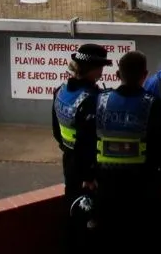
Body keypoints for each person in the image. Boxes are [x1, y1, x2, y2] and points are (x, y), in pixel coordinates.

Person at [76, 50, 161, 252]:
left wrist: (87, 175)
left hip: (106, 192)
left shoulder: (95, 103)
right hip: (144, 195)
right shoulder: (156, 107)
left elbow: (82, 144)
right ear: (145, 75)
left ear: (117, 74)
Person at [51, 43, 108, 232]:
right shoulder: (91, 100)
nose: (102, 71)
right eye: (101, 67)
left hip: (69, 161)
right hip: (88, 171)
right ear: (93, 69)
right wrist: (89, 176)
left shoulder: (60, 91)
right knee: (91, 216)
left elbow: (56, 132)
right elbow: (87, 142)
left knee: (73, 208)